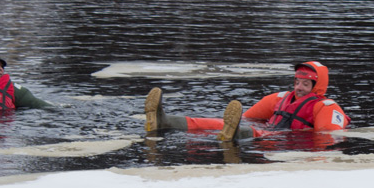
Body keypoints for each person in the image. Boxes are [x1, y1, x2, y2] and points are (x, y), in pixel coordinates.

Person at [144, 60, 351, 141]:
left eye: (306, 84)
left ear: (317, 87)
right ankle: (165, 120)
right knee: (223, 123)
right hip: (273, 133)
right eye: (297, 82)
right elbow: (245, 118)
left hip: (287, 142)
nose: (298, 87)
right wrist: (234, 123)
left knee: (259, 132)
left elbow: (328, 138)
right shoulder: (280, 98)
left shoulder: (327, 107)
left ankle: (234, 135)